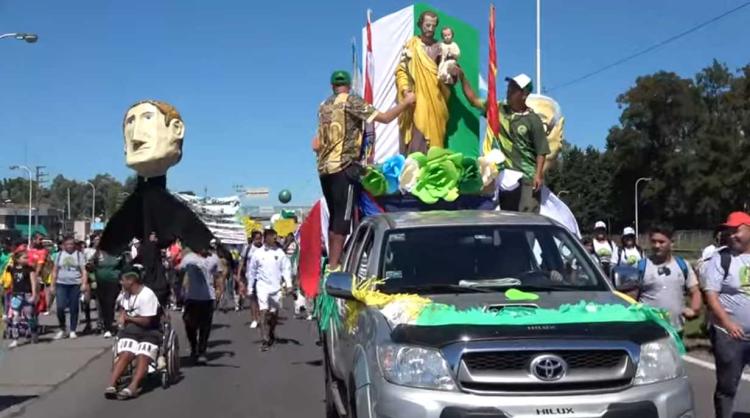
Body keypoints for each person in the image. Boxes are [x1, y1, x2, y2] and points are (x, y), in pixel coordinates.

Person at [314, 71, 415, 271]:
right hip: (344, 166)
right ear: (349, 86)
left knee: (335, 218)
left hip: (325, 169)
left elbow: (317, 142)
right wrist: (406, 102)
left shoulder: (323, 106)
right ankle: (334, 266)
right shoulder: (351, 101)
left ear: (332, 85)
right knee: (343, 220)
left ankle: (335, 262)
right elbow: (385, 118)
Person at [459, 71, 550, 212]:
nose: (509, 91)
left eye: (514, 89)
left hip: (527, 178)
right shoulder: (498, 109)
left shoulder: (533, 120)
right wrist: (462, 76)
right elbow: (473, 100)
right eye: (509, 87)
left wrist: (538, 175)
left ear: (524, 95)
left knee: (527, 220)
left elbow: (541, 150)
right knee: (508, 218)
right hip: (505, 178)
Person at [700, 212, 750, 418]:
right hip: (730, 336)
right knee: (727, 387)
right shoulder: (721, 258)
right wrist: (728, 324)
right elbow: (711, 295)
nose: (731, 236)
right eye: (728, 232)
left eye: (736, 230)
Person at [628, 226, 701, 334]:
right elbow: (630, 297)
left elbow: (695, 291)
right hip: (648, 329)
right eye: (653, 242)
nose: (657, 246)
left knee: (675, 351)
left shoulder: (683, 265)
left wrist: (694, 310)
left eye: (661, 242)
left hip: (676, 330)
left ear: (671, 243)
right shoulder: (641, 266)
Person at [395, 10, 448, 153]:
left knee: (435, 146)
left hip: (436, 100)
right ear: (420, 24)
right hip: (416, 100)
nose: (430, 29)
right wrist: (405, 91)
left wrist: (450, 74)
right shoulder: (411, 45)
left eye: (433, 26)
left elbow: (447, 75)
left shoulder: (441, 48)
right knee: (416, 142)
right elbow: (401, 71)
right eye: (427, 25)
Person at [106, 265, 161, 400]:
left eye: (122, 280)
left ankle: (133, 386)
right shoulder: (125, 294)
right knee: (126, 354)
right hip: (130, 331)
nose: (120, 283)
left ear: (131, 281)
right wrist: (121, 317)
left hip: (150, 331)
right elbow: (122, 308)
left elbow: (146, 321)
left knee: (142, 354)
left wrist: (128, 318)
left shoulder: (147, 295)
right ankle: (112, 385)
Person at [248, 229, 292, 352]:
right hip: (262, 286)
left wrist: (289, 284)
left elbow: (286, 269)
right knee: (263, 311)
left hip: (276, 288)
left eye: (275, 237)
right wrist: (250, 287)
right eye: (273, 237)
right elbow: (252, 272)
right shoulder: (257, 254)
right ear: (266, 238)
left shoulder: (280, 253)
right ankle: (264, 339)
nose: (275, 239)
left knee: (273, 314)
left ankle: (271, 332)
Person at [178, 247, 216, 363]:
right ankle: (194, 346)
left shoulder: (214, 259)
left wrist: (219, 291)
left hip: (207, 297)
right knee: (189, 323)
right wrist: (181, 290)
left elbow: (218, 276)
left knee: (205, 326)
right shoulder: (189, 258)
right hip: (192, 296)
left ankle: (202, 351)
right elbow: (181, 272)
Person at [50, 236, 89, 340]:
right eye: (67, 244)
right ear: (63, 245)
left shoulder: (79, 255)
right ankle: (62, 329)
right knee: (60, 307)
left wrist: (84, 283)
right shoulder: (59, 255)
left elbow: (83, 270)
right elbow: (54, 271)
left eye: (72, 244)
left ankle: (72, 330)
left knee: (74, 307)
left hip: (75, 284)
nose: (70, 246)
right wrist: (52, 285)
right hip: (61, 283)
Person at [5, 251, 38, 348]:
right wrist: (11, 258)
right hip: (16, 295)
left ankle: (33, 332)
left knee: (29, 316)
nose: (27, 259)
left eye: (27, 257)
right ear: (18, 259)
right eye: (24, 258)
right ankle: (15, 339)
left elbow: (33, 283)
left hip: (27, 294)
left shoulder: (29, 269)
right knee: (15, 316)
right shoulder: (12, 268)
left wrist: (34, 295)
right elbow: (7, 271)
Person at [92, 247, 126, 339]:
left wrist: (123, 281)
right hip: (100, 282)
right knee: (102, 305)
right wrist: (93, 279)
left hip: (114, 282)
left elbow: (124, 268)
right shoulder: (98, 253)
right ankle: (106, 325)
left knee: (110, 303)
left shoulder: (119, 254)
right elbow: (91, 267)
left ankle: (109, 328)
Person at [241, 231, 263, 325]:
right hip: (250, 277)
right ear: (253, 239)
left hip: (263, 277)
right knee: (253, 299)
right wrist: (239, 275)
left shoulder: (265, 248)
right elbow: (242, 261)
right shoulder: (248, 248)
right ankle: (254, 319)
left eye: (260, 238)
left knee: (261, 298)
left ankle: (261, 317)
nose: (259, 240)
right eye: (257, 238)